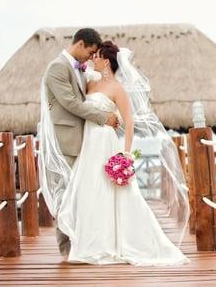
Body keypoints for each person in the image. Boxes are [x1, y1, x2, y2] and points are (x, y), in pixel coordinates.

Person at [38, 35, 189, 266]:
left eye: (96, 56)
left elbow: (129, 121)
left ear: (106, 62)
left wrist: (126, 153)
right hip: (87, 143)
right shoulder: (88, 82)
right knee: (87, 191)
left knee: (108, 191)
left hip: (105, 142)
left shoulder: (117, 88)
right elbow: (74, 104)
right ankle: (88, 241)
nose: (91, 60)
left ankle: (114, 242)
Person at [41, 28, 120, 256]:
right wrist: (103, 117)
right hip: (65, 142)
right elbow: (70, 103)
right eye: (90, 51)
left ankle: (79, 246)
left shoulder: (78, 68)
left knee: (78, 196)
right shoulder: (57, 67)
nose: (90, 57)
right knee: (65, 196)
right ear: (81, 44)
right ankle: (66, 253)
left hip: (82, 142)